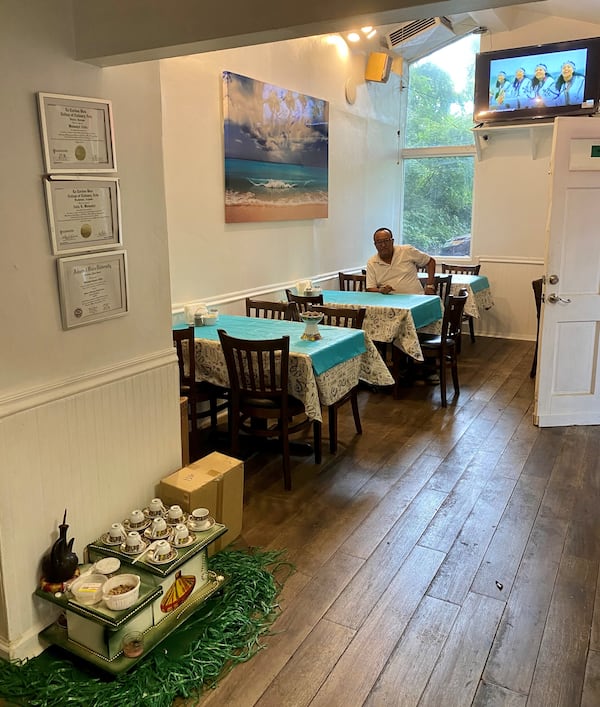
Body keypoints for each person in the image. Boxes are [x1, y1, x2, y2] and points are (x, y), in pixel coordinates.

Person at [366, 227, 436, 295]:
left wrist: (430, 285)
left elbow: (430, 261)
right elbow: (370, 288)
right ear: (375, 245)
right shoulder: (372, 262)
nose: (383, 245)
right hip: (390, 302)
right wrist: (380, 290)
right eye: (379, 242)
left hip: (415, 298)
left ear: (392, 241)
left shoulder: (407, 251)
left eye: (386, 241)